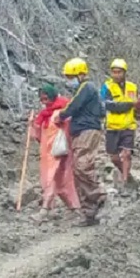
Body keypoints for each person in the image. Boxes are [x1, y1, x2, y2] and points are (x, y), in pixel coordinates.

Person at [57, 58, 107, 226]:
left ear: (80, 74)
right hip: (82, 130)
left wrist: (61, 115)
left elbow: (73, 106)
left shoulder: (86, 87)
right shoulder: (86, 90)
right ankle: (89, 212)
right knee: (78, 172)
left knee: (82, 165)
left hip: (87, 130)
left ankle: (99, 195)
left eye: (70, 76)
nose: (68, 80)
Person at [29, 84, 80, 222]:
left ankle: (44, 210)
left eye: (46, 98)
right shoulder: (44, 115)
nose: (44, 102)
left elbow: (68, 131)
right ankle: (74, 209)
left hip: (60, 153)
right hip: (48, 154)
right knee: (57, 181)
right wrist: (33, 125)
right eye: (42, 99)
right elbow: (40, 137)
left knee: (54, 179)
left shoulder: (61, 112)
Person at [100, 58, 137, 186]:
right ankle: (126, 173)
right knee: (114, 157)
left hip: (128, 125)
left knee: (127, 154)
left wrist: (127, 106)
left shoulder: (132, 87)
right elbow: (107, 105)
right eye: (114, 72)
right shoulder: (107, 87)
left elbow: (135, 104)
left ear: (124, 72)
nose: (116, 75)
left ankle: (125, 180)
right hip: (112, 126)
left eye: (119, 72)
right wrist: (125, 105)